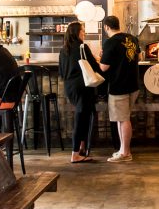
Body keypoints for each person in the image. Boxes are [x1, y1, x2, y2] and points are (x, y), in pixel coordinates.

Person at [98, 14, 139, 162]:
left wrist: (100, 58)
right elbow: (137, 58)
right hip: (133, 85)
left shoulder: (110, 42)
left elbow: (103, 67)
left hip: (119, 85)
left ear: (106, 27)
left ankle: (125, 153)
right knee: (123, 119)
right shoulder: (132, 38)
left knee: (123, 119)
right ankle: (123, 150)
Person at [58, 21, 98, 162]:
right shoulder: (82, 47)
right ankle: (75, 154)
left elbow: (61, 72)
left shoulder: (63, 49)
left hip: (70, 88)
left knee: (83, 116)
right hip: (83, 86)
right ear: (77, 32)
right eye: (82, 30)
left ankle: (82, 149)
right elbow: (94, 67)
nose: (84, 33)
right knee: (81, 119)